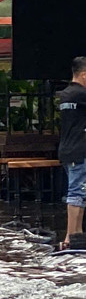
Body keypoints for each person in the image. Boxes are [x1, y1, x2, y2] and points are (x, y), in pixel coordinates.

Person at [58, 57, 86, 249]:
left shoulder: (66, 94)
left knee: (80, 192)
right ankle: (71, 237)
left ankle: (77, 235)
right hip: (79, 150)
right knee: (76, 192)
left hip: (67, 149)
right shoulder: (81, 95)